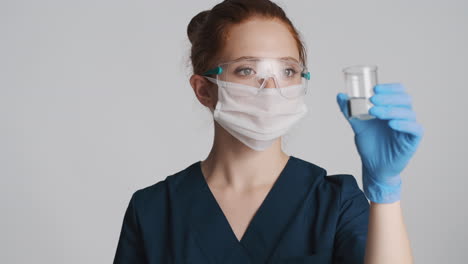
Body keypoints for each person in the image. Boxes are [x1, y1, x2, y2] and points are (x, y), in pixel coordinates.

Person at [113, 0, 424, 263]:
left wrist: (385, 193)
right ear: (204, 89)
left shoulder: (334, 201)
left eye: (287, 71)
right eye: (248, 70)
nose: (272, 88)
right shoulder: (153, 211)